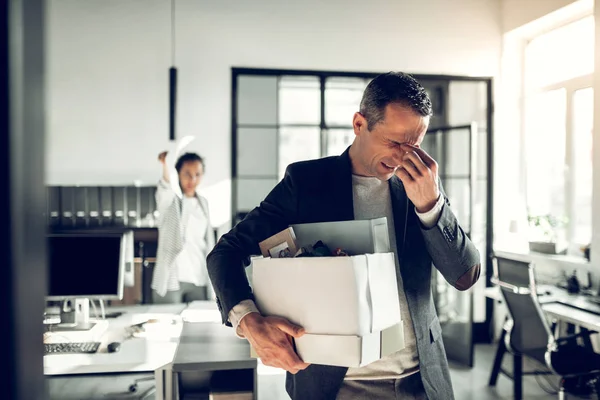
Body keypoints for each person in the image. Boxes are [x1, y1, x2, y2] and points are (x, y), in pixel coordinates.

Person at [207, 72, 481, 400]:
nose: (403, 158)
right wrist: (248, 320)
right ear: (359, 124)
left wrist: (431, 205)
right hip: (335, 387)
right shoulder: (306, 183)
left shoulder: (422, 182)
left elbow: (465, 276)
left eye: (415, 145)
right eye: (394, 142)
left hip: (421, 383)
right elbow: (226, 252)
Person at [152, 151, 215, 304]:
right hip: (172, 279)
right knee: (167, 323)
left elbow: (207, 242)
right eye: (187, 174)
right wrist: (165, 165)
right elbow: (165, 189)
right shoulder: (171, 202)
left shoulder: (203, 203)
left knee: (198, 325)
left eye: (197, 174)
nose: (192, 179)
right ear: (178, 174)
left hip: (199, 277)